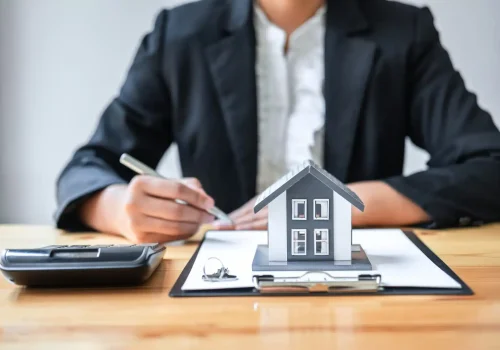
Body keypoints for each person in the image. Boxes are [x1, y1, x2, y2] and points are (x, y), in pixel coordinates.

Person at [55, 0, 500, 243]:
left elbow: (489, 167)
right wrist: (118, 208)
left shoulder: (403, 31)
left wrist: (344, 206)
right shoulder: (180, 34)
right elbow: (86, 169)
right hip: (215, 298)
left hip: (359, 289)